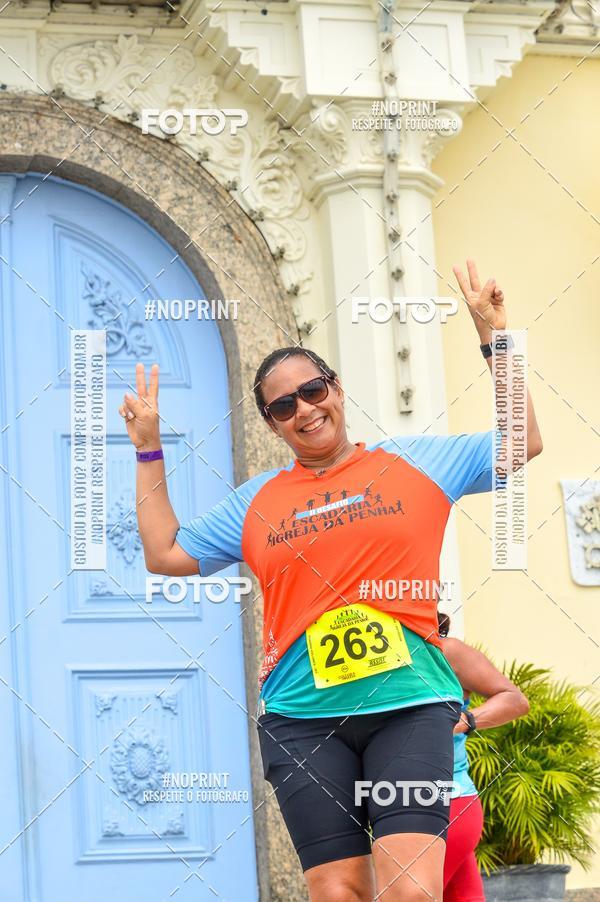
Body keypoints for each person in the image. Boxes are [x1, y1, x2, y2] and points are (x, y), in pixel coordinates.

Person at [118, 260, 542, 901]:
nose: (305, 410)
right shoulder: (257, 501)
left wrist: (495, 337)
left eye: (312, 390)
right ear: (272, 424)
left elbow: (522, 442)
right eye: (283, 406)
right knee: (340, 892)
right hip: (303, 719)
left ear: (336, 389)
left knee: (410, 890)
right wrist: (149, 448)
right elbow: (165, 552)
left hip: (409, 708)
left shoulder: (418, 462)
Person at [438, 612, 530, 901]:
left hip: (449, 804)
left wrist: (464, 720)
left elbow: (515, 700)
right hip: (401, 801)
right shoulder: (376, 657)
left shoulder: (447, 651)